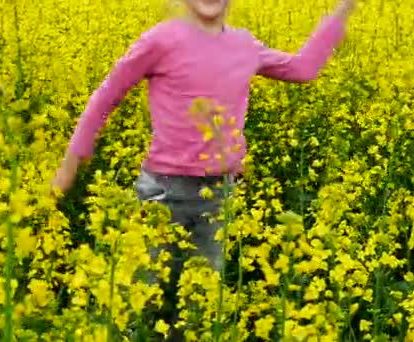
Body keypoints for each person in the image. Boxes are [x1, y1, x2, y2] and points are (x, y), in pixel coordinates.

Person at [51, 0, 357, 339]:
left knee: (199, 308)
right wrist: (71, 162)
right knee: (138, 301)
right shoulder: (160, 40)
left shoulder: (244, 45)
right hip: (161, 194)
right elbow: (107, 96)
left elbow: (302, 69)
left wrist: (339, 16)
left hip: (217, 197)